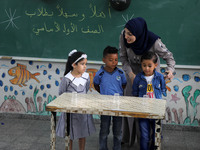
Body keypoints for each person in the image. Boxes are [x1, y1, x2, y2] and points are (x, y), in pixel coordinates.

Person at [119, 17, 176, 147]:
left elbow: (169, 57)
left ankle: (147, 142)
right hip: (132, 76)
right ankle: (127, 139)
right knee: (130, 108)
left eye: (130, 34)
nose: (126, 36)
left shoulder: (154, 41)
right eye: (125, 32)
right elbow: (123, 57)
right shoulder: (123, 36)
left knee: (147, 111)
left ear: (138, 33)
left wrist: (170, 70)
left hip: (150, 79)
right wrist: (131, 74)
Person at [56, 49, 96, 150]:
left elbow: (85, 90)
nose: (85, 66)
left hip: (82, 111)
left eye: (85, 64)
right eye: (82, 64)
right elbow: (62, 93)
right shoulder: (67, 78)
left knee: (82, 133)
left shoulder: (86, 77)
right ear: (74, 65)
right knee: (70, 133)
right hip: (70, 112)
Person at [93, 46, 127, 150]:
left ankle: (116, 148)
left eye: (116, 60)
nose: (114, 62)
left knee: (117, 130)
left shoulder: (120, 73)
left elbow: (124, 85)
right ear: (104, 60)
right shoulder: (100, 73)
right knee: (104, 129)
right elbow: (96, 84)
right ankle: (103, 148)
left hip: (118, 105)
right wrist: (103, 93)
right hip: (105, 105)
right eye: (111, 60)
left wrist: (118, 94)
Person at [132, 51, 166, 150]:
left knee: (157, 135)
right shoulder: (138, 77)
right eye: (144, 65)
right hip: (143, 110)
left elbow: (163, 89)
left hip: (156, 110)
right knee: (144, 136)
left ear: (155, 65)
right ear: (141, 65)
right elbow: (135, 92)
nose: (146, 68)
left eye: (149, 66)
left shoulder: (159, 77)